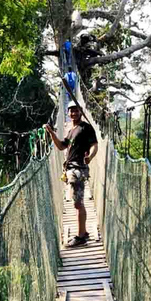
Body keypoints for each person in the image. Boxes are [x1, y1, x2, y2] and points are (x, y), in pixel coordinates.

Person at [44, 101, 98, 247]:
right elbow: (62, 146)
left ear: (81, 112)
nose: (73, 113)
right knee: (78, 202)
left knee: (77, 203)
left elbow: (95, 145)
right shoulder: (72, 130)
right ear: (68, 113)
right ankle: (84, 232)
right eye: (71, 111)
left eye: (76, 111)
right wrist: (51, 133)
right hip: (71, 169)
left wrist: (90, 157)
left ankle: (80, 237)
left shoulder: (86, 127)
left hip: (78, 169)